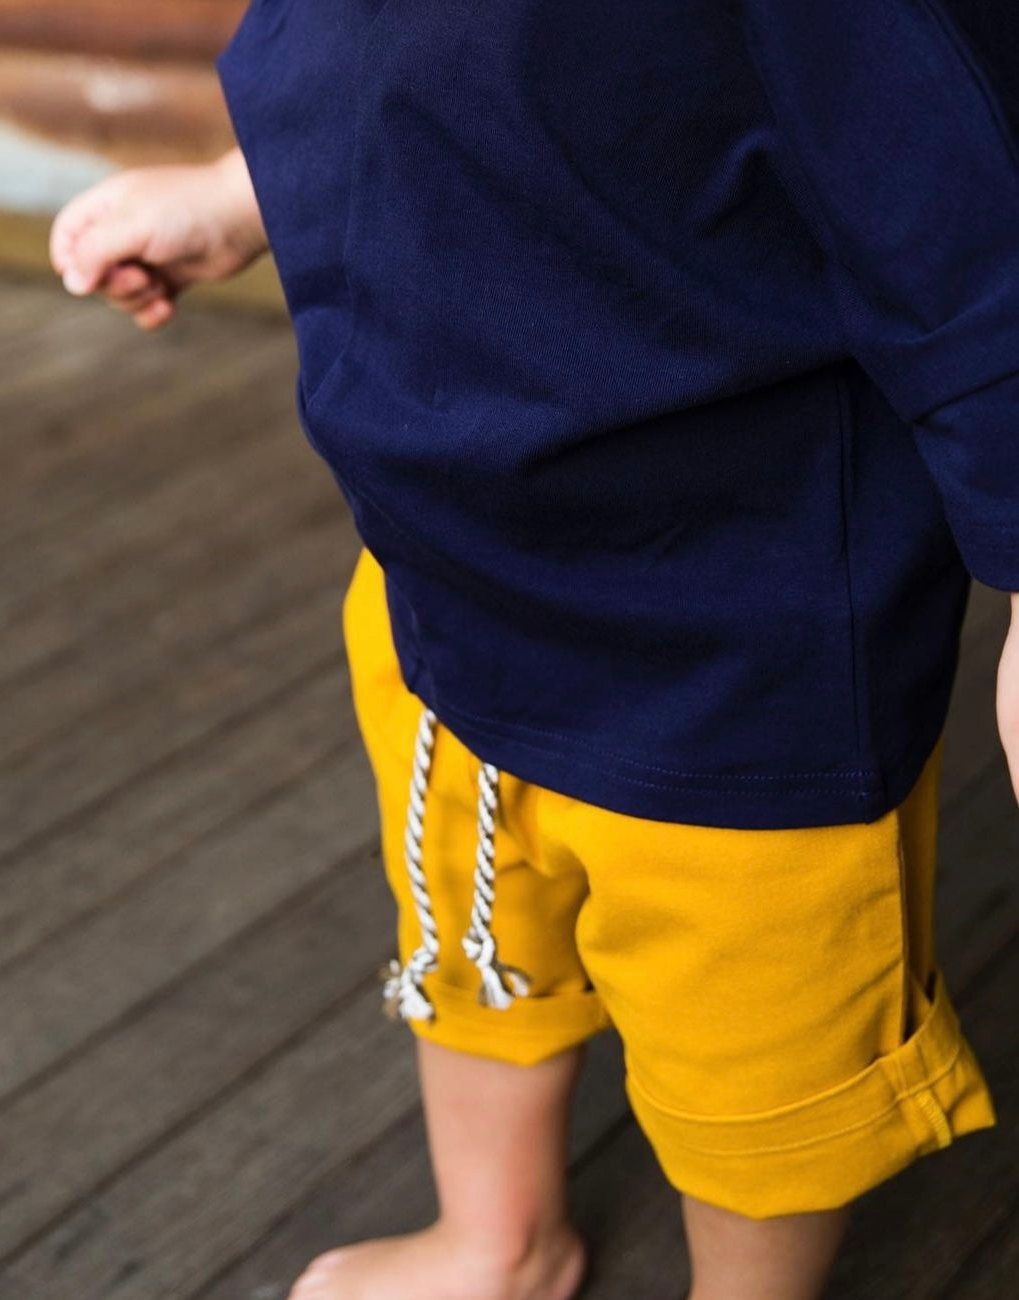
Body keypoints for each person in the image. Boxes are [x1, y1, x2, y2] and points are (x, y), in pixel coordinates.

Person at [50, 3, 1019, 1296]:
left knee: (756, 1059)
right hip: (438, 574)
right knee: (470, 933)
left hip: (738, 642)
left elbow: (976, 266)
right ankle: (495, 1238)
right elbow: (362, 65)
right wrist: (240, 195)